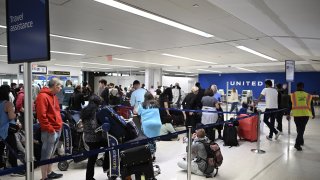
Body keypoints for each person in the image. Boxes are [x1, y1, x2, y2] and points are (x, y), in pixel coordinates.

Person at [36, 78, 63, 180]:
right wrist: (49, 128)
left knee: (51, 153)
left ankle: (50, 172)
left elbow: (56, 112)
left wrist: (60, 123)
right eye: (60, 86)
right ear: (55, 86)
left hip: (57, 128)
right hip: (50, 130)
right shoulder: (42, 96)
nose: (60, 88)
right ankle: (44, 177)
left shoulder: (54, 96)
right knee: (46, 154)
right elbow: (41, 115)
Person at [81, 95, 108, 180]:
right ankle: (106, 165)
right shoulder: (93, 111)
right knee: (110, 146)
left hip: (87, 137)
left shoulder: (85, 110)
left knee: (92, 159)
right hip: (94, 138)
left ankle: (90, 177)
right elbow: (94, 126)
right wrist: (103, 125)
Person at [0, 85, 24, 176]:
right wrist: (15, 115)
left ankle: (3, 166)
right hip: (7, 130)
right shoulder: (7, 104)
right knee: (13, 149)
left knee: (1, 149)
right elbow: (11, 117)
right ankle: (15, 169)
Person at [287, 82, 315, 151]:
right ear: (303, 87)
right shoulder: (308, 95)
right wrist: (313, 114)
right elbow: (311, 106)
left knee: (299, 129)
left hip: (296, 114)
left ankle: (300, 141)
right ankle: (297, 144)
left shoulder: (292, 95)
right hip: (305, 114)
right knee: (301, 129)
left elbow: (289, 106)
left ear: (297, 87)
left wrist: (288, 114)